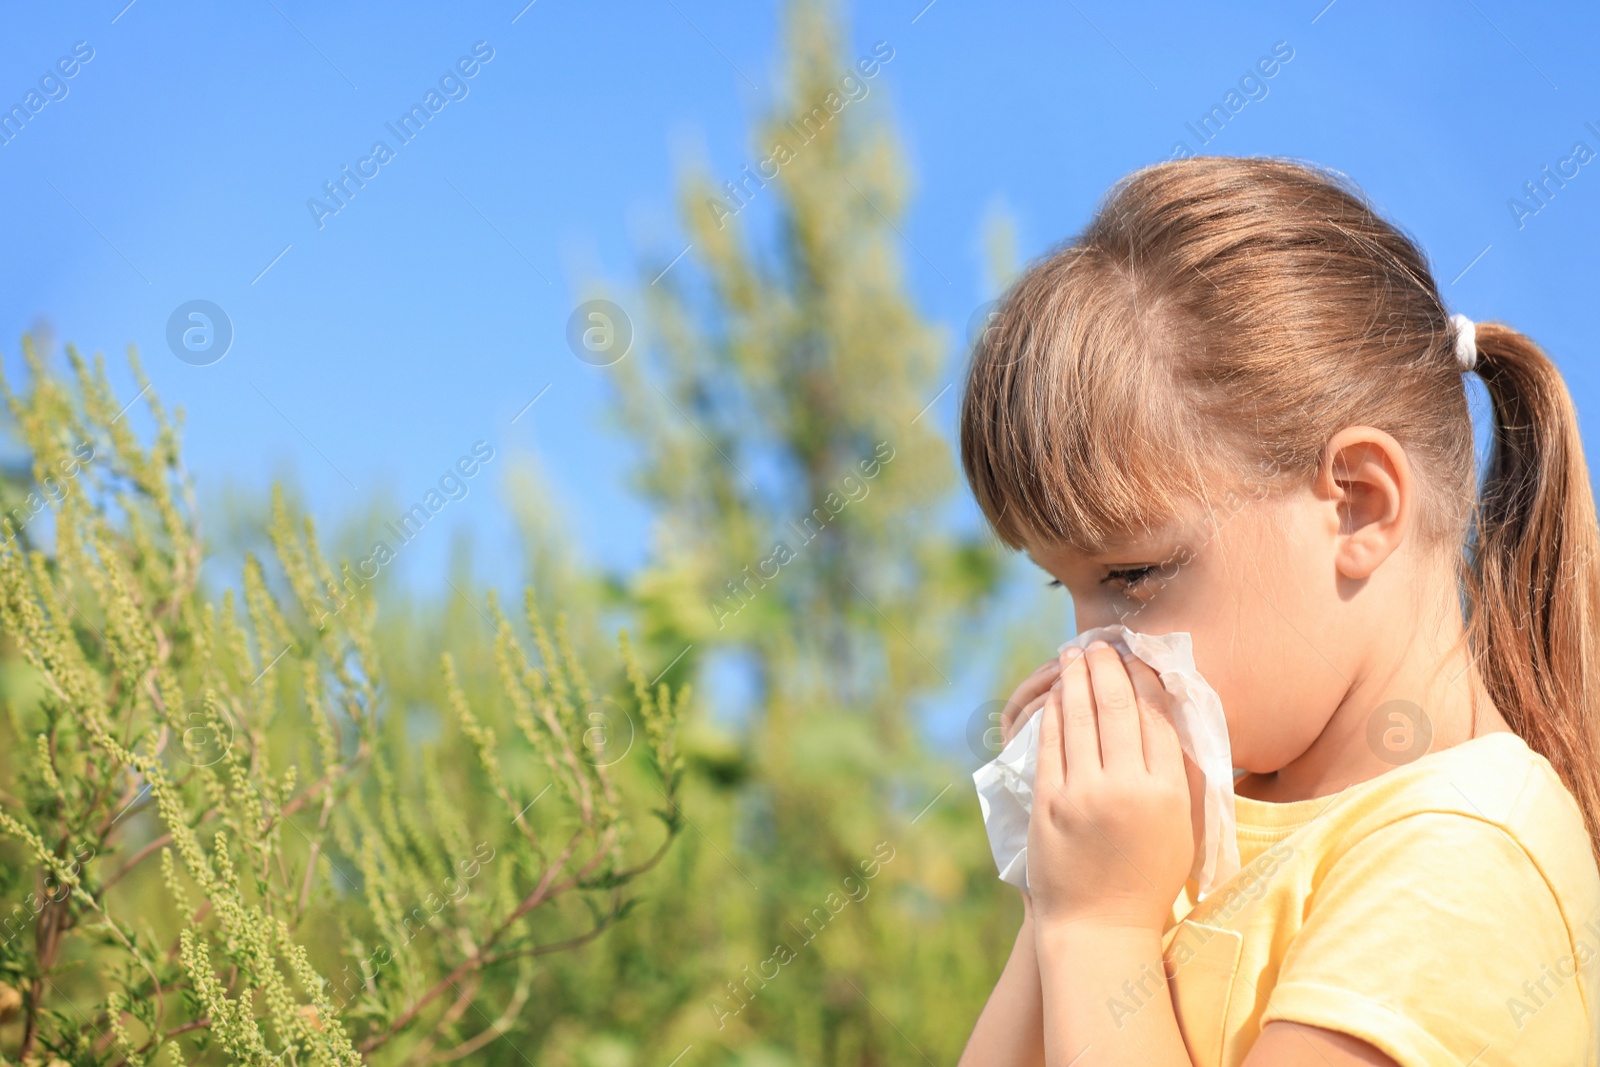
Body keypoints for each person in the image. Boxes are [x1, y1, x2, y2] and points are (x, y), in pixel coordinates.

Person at [955, 156, 1600, 1066]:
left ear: (1359, 505)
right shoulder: (1177, 847)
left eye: (1135, 575)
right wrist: (1055, 894)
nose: (1093, 652)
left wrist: (1097, 930)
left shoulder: (1466, 856)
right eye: (1069, 589)